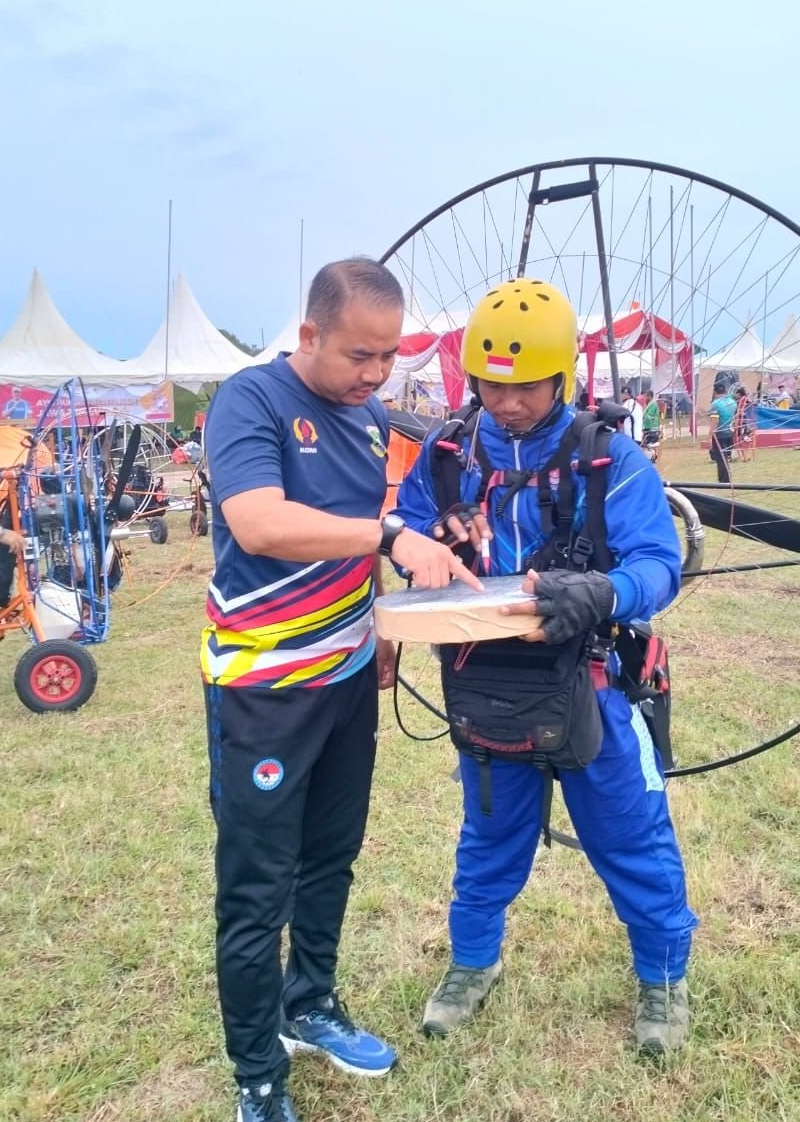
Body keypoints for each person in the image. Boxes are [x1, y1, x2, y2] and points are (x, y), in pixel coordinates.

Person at [201, 258, 479, 1122]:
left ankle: (310, 1004)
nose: (375, 374)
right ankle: (257, 1074)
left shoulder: (366, 422)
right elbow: (260, 521)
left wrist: (384, 620)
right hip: (264, 688)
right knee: (258, 887)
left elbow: (357, 544)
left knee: (330, 859)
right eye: (359, 354)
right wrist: (391, 534)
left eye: (388, 356)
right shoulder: (250, 401)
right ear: (310, 334)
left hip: (349, 677)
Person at [391, 278, 697, 1057]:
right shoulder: (447, 455)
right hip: (486, 689)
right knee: (488, 839)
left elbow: (660, 563)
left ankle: (663, 982)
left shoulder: (608, 459)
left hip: (590, 685)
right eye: (489, 383)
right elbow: (404, 536)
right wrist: (415, 559)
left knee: (630, 836)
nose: (504, 400)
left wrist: (603, 590)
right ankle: (469, 967)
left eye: (523, 384)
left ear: (560, 375)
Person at [707, 381, 737, 483]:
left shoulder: (715, 404)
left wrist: (709, 437)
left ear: (715, 392)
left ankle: (724, 481)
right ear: (725, 391)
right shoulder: (732, 402)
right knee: (726, 457)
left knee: (721, 459)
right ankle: (726, 478)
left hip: (719, 434)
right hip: (729, 432)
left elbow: (714, 421)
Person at [640, 389, 662, 461]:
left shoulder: (653, 404)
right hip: (648, 427)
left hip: (652, 427)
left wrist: (643, 414)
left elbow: (649, 416)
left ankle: (653, 457)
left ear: (649, 396)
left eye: (646, 396)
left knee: (650, 444)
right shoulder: (649, 404)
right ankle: (651, 457)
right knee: (647, 444)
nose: (645, 398)